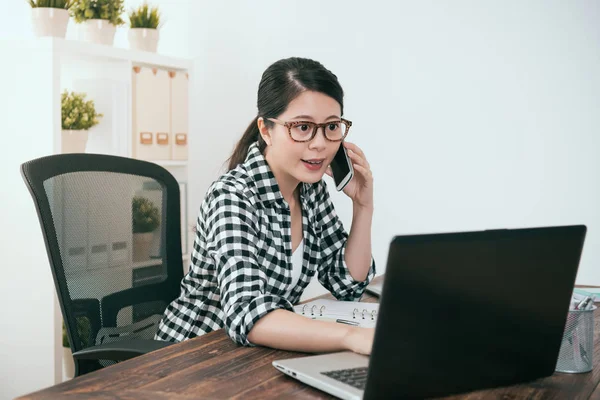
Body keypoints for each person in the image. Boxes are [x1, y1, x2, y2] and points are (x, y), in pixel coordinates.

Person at [155, 57, 376, 355]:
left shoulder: (312, 192)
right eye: (302, 127)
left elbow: (349, 285)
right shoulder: (232, 196)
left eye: (331, 127)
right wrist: (350, 337)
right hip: (190, 356)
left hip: (255, 356)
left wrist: (363, 206)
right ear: (266, 129)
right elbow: (248, 314)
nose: (320, 144)